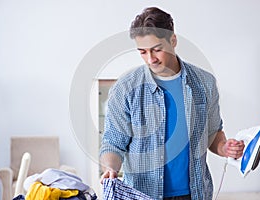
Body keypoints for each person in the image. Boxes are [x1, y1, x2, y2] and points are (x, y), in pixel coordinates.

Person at [99, 7, 245, 200]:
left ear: (173, 41)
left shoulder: (205, 83)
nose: (150, 59)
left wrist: (225, 147)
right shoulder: (125, 88)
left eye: (157, 49)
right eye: (143, 52)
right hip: (143, 194)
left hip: (195, 193)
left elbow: (213, 134)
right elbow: (112, 143)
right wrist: (110, 168)